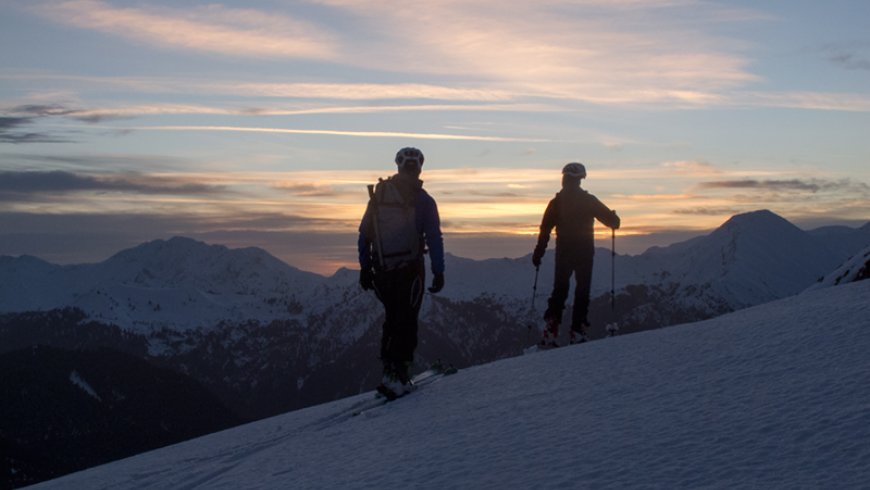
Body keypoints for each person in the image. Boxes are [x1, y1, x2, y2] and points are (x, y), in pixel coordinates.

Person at [358, 147, 445, 399]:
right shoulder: (424, 200)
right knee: (407, 320)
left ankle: (389, 371)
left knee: (392, 318)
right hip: (411, 270)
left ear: (398, 166)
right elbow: (434, 238)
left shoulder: (378, 197)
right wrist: (439, 271)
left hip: (382, 270)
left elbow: (364, 235)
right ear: (419, 167)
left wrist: (365, 267)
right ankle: (400, 373)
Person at [532, 162, 620, 347]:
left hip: (563, 252)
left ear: (564, 178)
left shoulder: (556, 203)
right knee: (582, 291)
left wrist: (539, 253)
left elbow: (545, 229)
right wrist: (614, 217)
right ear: (580, 180)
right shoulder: (588, 200)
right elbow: (613, 222)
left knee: (560, 291)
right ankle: (577, 331)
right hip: (584, 252)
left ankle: (551, 331)